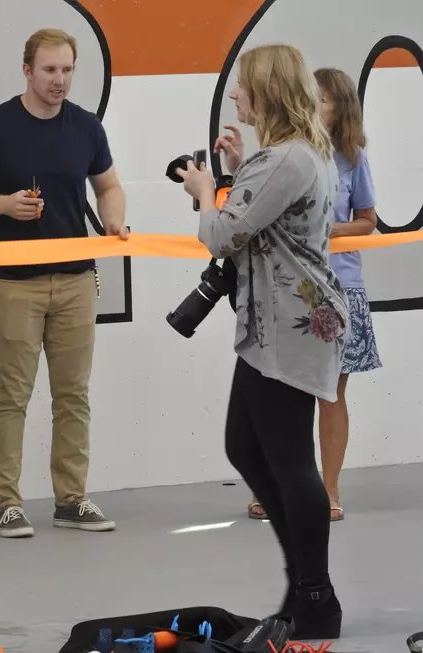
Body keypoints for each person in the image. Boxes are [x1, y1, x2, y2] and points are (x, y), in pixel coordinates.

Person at [176, 44, 348, 640]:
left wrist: (204, 188)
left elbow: (222, 235)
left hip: (289, 332)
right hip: (274, 328)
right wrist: (235, 171)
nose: (237, 96)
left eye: (244, 86)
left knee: (289, 460)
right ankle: (302, 581)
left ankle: (314, 594)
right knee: (246, 447)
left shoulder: (289, 158)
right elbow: (262, 219)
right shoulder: (291, 155)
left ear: (268, 91)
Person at [0, 28, 127, 538]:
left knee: (74, 394)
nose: (60, 80)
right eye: (50, 70)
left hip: (76, 279)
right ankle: (7, 503)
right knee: (12, 394)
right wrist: (4, 204)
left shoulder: (87, 127)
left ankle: (71, 498)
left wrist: (113, 220)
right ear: (27, 70)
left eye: (68, 70)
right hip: (14, 282)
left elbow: (109, 185)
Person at [247, 68, 381, 524]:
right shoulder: (285, 155)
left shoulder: (353, 158)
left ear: (339, 108)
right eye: (310, 97)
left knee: (332, 394)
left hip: (342, 287)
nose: (314, 106)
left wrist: (331, 228)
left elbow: (369, 220)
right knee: (286, 394)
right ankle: (280, 485)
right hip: (294, 290)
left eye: (322, 99)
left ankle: (329, 489)